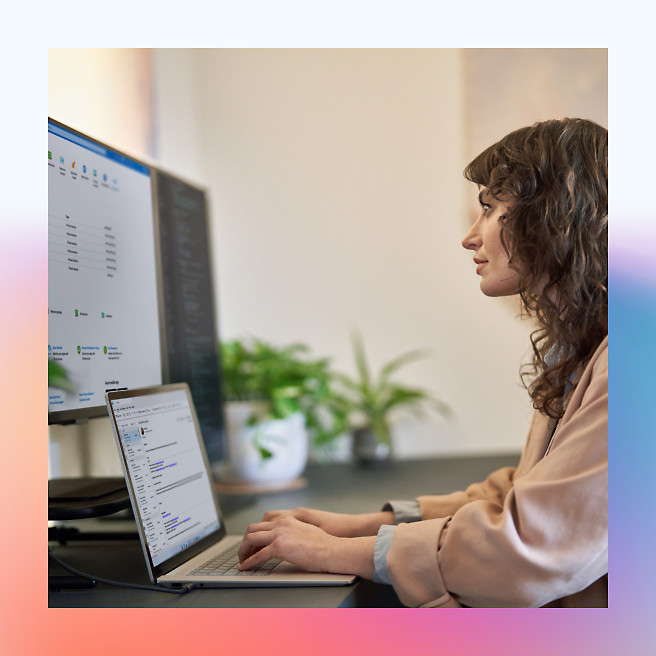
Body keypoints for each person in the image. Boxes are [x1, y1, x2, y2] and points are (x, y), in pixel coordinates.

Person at [237, 118, 608, 608]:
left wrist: (338, 550)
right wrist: (363, 525)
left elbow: (530, 547)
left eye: (492, 209)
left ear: (556, 216)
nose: (470, 237)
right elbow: (527, 493)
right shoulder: (585, 347)